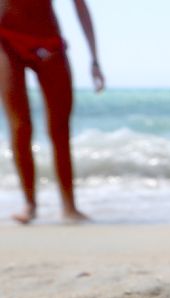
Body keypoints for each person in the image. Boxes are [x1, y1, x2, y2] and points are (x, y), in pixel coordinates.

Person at [0, 0, 103, 224]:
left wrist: (94, 58)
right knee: (20, 127)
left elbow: (80, 6)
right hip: (6, 40)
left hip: (48, 43)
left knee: (59, 129)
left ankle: (69, 206)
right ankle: (30, 204)